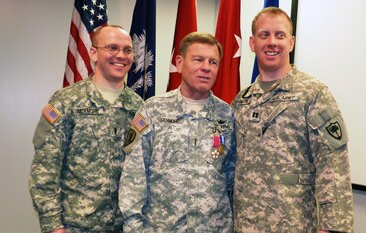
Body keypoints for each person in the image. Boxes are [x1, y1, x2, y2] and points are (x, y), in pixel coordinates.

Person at [232, 7, 354, 233]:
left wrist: (332, 227)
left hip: (292, 223)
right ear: (251, 43)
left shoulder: (313, 94)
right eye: (264, 35)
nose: (272, 42)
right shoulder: (242, 100)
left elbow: (333, 163)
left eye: (280, 35)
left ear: (291, 42)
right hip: (244, 224)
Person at [28, 25, 143, 233]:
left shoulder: (139, 108)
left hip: (123, 227)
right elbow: (45, 169)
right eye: (112, 48)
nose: (121, 55)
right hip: (76, 226)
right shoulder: (67, 101)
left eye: (127, 50)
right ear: (93, 53)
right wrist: (53, 225)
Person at [119, 32, 236, 233]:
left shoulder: (227, 115)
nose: (206, 67)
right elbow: (134, 174)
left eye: (213, 62)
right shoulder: (153, 110)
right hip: (162, 227)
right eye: (198, 59)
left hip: (215, 228)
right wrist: (133, 227)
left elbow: (233, 176)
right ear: (180, 63)